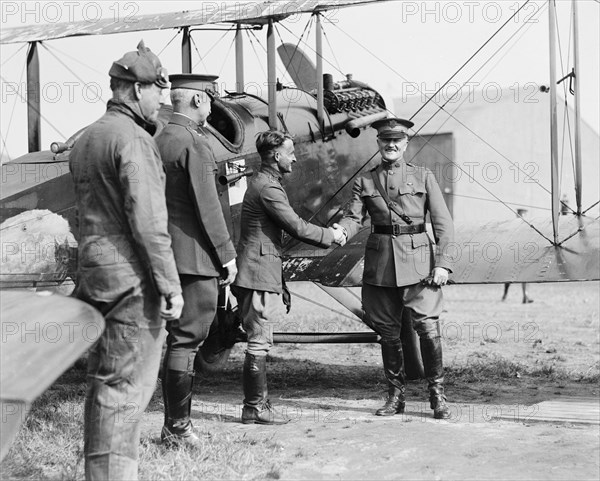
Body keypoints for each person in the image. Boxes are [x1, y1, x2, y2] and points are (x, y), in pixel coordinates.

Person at [69, 40, 184, 480]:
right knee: (127, 390)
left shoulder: (89, 137)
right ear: (137, 90)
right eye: (159, 89)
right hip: (131, 282)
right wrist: (170, 286)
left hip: (95, 274)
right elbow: (149, 223)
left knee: (105, 384)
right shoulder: (134, 139)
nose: (162, 100)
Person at [334, 117, 454, 420]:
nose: (390, 145)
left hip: (419, 267)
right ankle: (395, 396)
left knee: (428, 329)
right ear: (378, 144)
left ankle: (437, 395)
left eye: (396, 141)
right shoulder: (365, 181)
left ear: (405, 144)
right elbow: (353, 217)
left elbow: (444, 225)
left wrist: (444, 264)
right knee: (388, 334)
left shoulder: (423, 177)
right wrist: (342, 232)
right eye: (385, 140)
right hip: (381, 266)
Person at [232, 130, 346, 424]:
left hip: (259, 271)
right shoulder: (268, 188)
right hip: (257, 274)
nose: (294, 157)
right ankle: (254, 408)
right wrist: (332, 235)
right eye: (290, 151)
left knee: (260, 339)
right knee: (259, 341)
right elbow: (296, 226)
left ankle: (256, 406)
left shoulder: (263, 183)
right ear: (276, 155)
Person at [155, 74, 237, 447]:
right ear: (198, 101)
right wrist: (227, 255)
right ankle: (178, 428)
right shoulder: (195, 143)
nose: (211, 107)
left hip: (164, 253)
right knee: (187, 341)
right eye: (209, 100)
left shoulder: (159, 140)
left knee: (175, 340)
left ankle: (173, 424)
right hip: (195, 258)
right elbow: (208, 207)